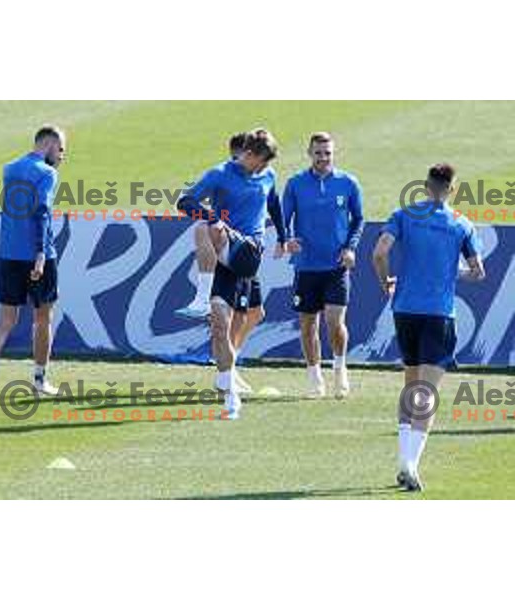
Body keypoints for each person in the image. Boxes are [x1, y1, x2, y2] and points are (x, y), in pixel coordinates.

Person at [373, 163, 485, 492]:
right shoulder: (461, 224)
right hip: (439, 313)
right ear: (452, 189)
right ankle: (410, 464)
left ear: (425, 185)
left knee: (410, 385)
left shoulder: (405, 215)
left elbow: (379, 253)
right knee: (427, 391)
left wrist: (385, 283)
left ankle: (403, 461)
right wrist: (453, 272)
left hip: (405, 310)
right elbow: (478, 272)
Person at [177, 128, 286, 418]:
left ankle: (200, 296)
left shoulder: (268, 175)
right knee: (219, 324)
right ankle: (230, 397)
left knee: (204, 228)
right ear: (248, 155)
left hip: (249, 250)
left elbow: (273, 203)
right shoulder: (220, 173)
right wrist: (214, 218)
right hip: (225, 259)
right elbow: (184, 201)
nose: (264, 168)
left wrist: (284, 236)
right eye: (261, 161)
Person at [0, 125, 65, 400]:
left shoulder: (10, 168)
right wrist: (40, 253)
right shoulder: (48, 173)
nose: (62, 156)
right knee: (43, 318)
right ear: (49, 145)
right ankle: (39, 380)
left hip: (8, 253)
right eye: (61, 149)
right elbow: (41, 212)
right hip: (38, 255)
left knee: (5, 319)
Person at [282, 132, 364, 399]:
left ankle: (340, 371)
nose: (323, 157)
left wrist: (350, 247)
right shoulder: (295, 184)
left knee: (334, 322)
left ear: (334, 153)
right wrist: (287, 240)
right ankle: (315, 380)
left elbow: (358, 219)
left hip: (336, 266)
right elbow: (283, 218)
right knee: (308, 326)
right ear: (309, 153)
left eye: (327, 153)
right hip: (306, 266)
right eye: (318, 153)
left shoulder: (348, 183)